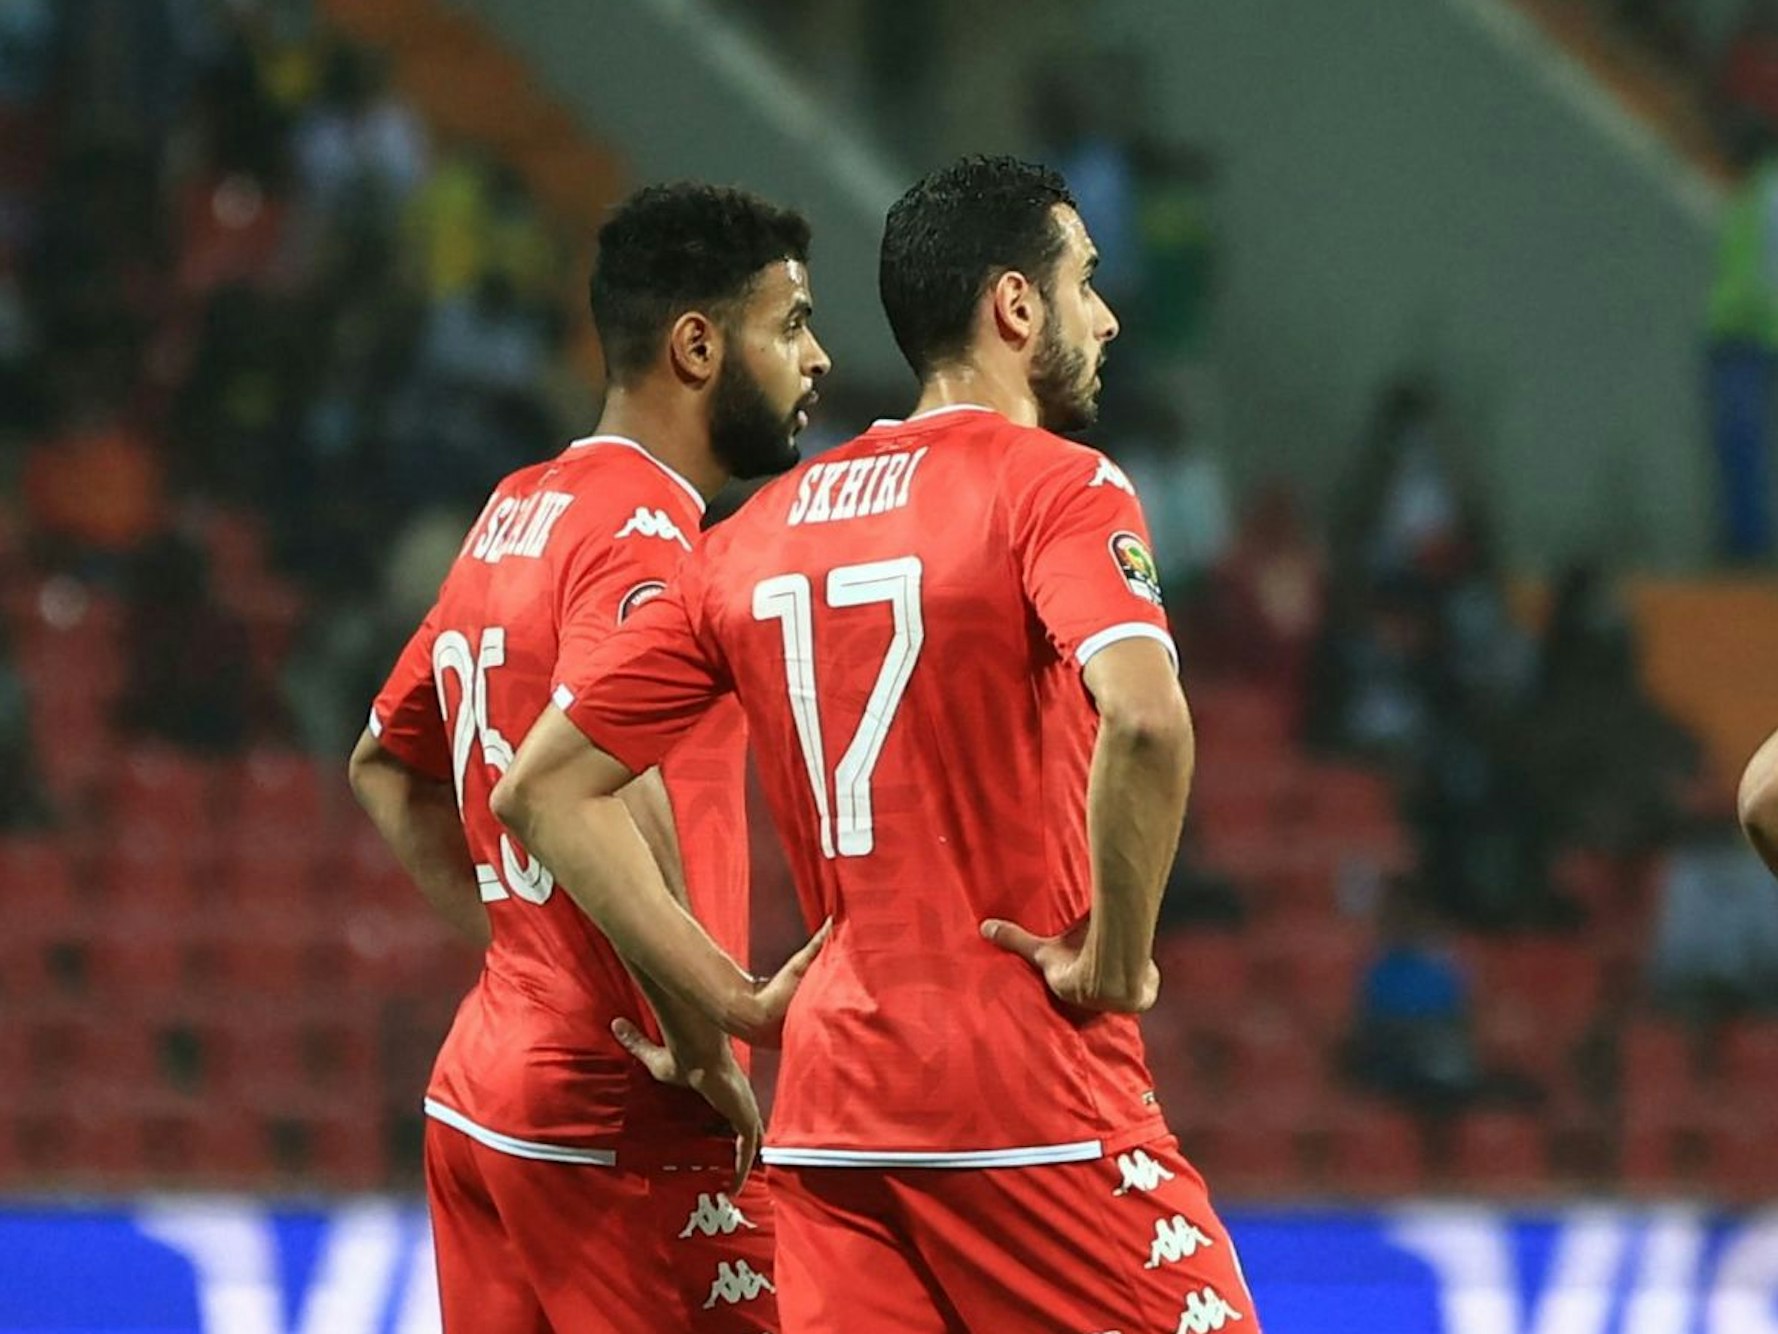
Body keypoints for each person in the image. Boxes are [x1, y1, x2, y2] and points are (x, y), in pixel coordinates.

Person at [494, 156, 1260, 1334]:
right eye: (1084, 282)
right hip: (1025, 1102)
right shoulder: (1057, 488)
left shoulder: (755, 532)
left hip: (831, 1122)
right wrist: (1115, 954)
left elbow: (541, 786)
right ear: (1013, 306)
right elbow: (1148, 720)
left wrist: (737, 1001)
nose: (1102, 316)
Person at [347, 182, 831, 1333]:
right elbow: (608, 779)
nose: (816, 358)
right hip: (620, 1108)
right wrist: (712, 1025)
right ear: (697, 345)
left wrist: (530, 949)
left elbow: (383, 761)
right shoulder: (645, 533)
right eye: (793, 322)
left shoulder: (518, 505)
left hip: (486, 1089)